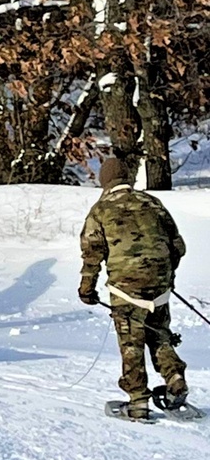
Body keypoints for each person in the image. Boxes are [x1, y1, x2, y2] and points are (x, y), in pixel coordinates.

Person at [79, 156, 188, 420]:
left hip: (126, 288)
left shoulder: (100, 209)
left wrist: (87, 288)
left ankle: (138, 400)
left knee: (132, 342)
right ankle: (174, 379)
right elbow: (178, 246)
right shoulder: (152, 202)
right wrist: (166, 275)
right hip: (160, 283)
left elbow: (92, 253)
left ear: (105, 181)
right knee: (159, 333)